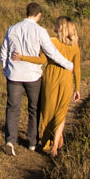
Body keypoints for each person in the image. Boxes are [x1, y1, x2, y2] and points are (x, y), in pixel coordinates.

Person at [0, 3, 72, 156]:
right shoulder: (40, 31)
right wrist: (67, 64)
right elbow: (51, 52)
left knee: (13, 108)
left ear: (27, 13)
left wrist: (6, 69)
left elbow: (4, 51)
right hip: (33, 76)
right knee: (34, 108)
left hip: (14, 74)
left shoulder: (12, 28)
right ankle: (32, 142)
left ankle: (10, 141)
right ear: (39, 15)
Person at [15, 17, 81, 157]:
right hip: (67, 80)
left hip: (51, 78)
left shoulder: (51, 42)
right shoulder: (74, 45)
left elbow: (42, 60)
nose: (54, 26)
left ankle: (50, 142)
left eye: (56, 24)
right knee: (61, 111)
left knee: (48, 111)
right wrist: (77, 88)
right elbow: (77, 68)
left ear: (61, 28)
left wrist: (23, 57)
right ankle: (57, 143)